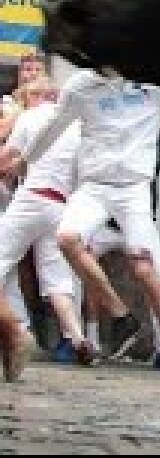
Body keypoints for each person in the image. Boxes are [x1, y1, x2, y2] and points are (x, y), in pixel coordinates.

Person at [0, 68, 160, 379]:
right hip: (94, 187)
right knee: (66, 238)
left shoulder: (151, 84)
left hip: (133, 190)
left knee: (147, 269)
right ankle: (120, 316)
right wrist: (26, 158)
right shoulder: (81, 86)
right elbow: (53, 127)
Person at [0, 75, 90, 379]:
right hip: (61, 204)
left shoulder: (30, 117)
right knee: (57, 281)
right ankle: (77, 337)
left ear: (34, 97)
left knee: (2, 262)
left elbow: (8, 159)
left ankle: (17, 331)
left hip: (30, 199)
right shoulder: (78, 128)